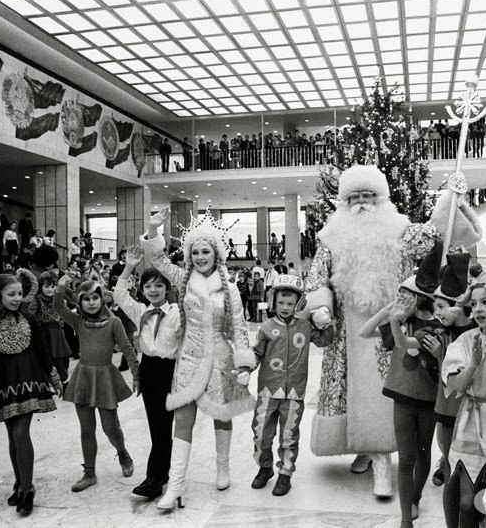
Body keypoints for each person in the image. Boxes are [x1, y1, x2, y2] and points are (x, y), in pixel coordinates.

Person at [303, 165, 474, 497]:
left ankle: (382, 459)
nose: (362, 203)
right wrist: (321, 305)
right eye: (355, 197)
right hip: (346, 333)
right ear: (345, 202)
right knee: (353, 391)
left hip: (388, 325)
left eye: (368, 196)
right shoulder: (331, 237)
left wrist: (450, 200)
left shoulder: (400, 232)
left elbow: (436, 237)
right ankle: (366, 448)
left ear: (380, 199)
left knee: (382, 391)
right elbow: (317, 278)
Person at [142, 208, 255, 510]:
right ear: (189, 255)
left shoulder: (230, 289)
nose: (200, 256)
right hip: (189, 360)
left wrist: (244, 363)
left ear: (216, 253)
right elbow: (158, 260)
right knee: (183, 420)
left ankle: (223, 466)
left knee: (222, 415)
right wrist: (154, 231)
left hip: (221, 359)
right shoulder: (182, 281)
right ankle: (175, 485)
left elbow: (240, 328)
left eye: (206, 251)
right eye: (195, 252)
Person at [359, 245, 444, 526]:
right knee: (406, 458)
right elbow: (365, 331)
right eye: (400, 295)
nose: (401, 299)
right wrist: (387, 311)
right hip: (402, 398)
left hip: (429, 401)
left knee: (423, 455)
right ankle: (406, 516)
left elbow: (404, 344)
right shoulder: (400, 319)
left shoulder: (437, 326)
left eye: (406, 295)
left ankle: (416, 497)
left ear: (420, 298)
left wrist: (395, 320)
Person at [237, 275, 334, 496]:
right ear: (273, 301)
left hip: (294, 393)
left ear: (299, 304)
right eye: (281, 302)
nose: (285, 307)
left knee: (289, 436)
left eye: (290, 304)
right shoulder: (266, 328)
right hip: (268, 391)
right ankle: (265, 467)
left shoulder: (305, 327)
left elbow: (325, 340)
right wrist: (245, 369)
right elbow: (256, 354)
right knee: (261, 433)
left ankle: (285, 473)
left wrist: (324, 322)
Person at [0, 274, 61, 516]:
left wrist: (53, 376)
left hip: (29, 381)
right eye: (11, 294)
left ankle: (27, 488)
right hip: (3, 385)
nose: (16, 299)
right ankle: (18, 481)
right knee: (13, 436)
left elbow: (42, 351)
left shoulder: (30, 320)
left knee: (21, 433)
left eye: (19, 294)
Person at [53, 278, 140, 492]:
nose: (91, 303)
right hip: (83, 377)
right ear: (80, 302)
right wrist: (61, 287)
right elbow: (57, 307)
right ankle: (89, 472)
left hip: (105, 377)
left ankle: (122, 452)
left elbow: (128, 349)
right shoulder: (77, 322)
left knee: (110, 426)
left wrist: (137, 374)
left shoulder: (114, 323)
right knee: (86, 429)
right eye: (86, 299)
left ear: (102, 299)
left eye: (95, 298)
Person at [441, 269, 486, 528]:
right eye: (474, 304)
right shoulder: (465, 340)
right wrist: (473, 364)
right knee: (467, 502)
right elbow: (456, 386)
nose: (478, 309)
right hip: (471, 422)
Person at [113, 252, 181, 500]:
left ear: (167, 288)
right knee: (157, 425)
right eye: (148, 286)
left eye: (159, 285)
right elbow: (119, 295)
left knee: (163, 425)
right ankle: (160, 475)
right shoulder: (140, 311)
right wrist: (129, 267)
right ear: (142, 289)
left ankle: (156, 477)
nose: (153, 290)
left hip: (171, 371)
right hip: (149, 370)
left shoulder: (176, 312)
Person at [430, 253, 475, 489]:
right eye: (434, 306)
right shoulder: (439, 332)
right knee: (449, 465)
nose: (436, 312)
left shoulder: (477, 331)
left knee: (471, 474)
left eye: (440, 306)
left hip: (470, 412)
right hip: (446, 408)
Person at [29, 272, 72, 384]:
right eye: (46, 286)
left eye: (52, 287)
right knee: (46, 358)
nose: (49, 289)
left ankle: (62, 380)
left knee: (61, 358)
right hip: (44, 333)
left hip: (58, 332)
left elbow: (64, 312)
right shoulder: (36, 300)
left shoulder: (58, 299)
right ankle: (47, 381)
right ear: (41, 287)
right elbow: (31, 316)